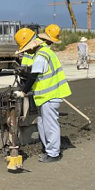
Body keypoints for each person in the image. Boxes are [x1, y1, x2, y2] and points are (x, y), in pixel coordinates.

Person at [14, 27, 71, 163]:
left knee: (50, 125)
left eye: (26, 49)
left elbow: (33, 76)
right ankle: (48, 149)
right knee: (42, 124)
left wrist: (23, 92)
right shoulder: (42, 52)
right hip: (45, 97)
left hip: (50, 96)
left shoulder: (41, 56)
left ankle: (54, 153)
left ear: (32, 45)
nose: (26, 51)